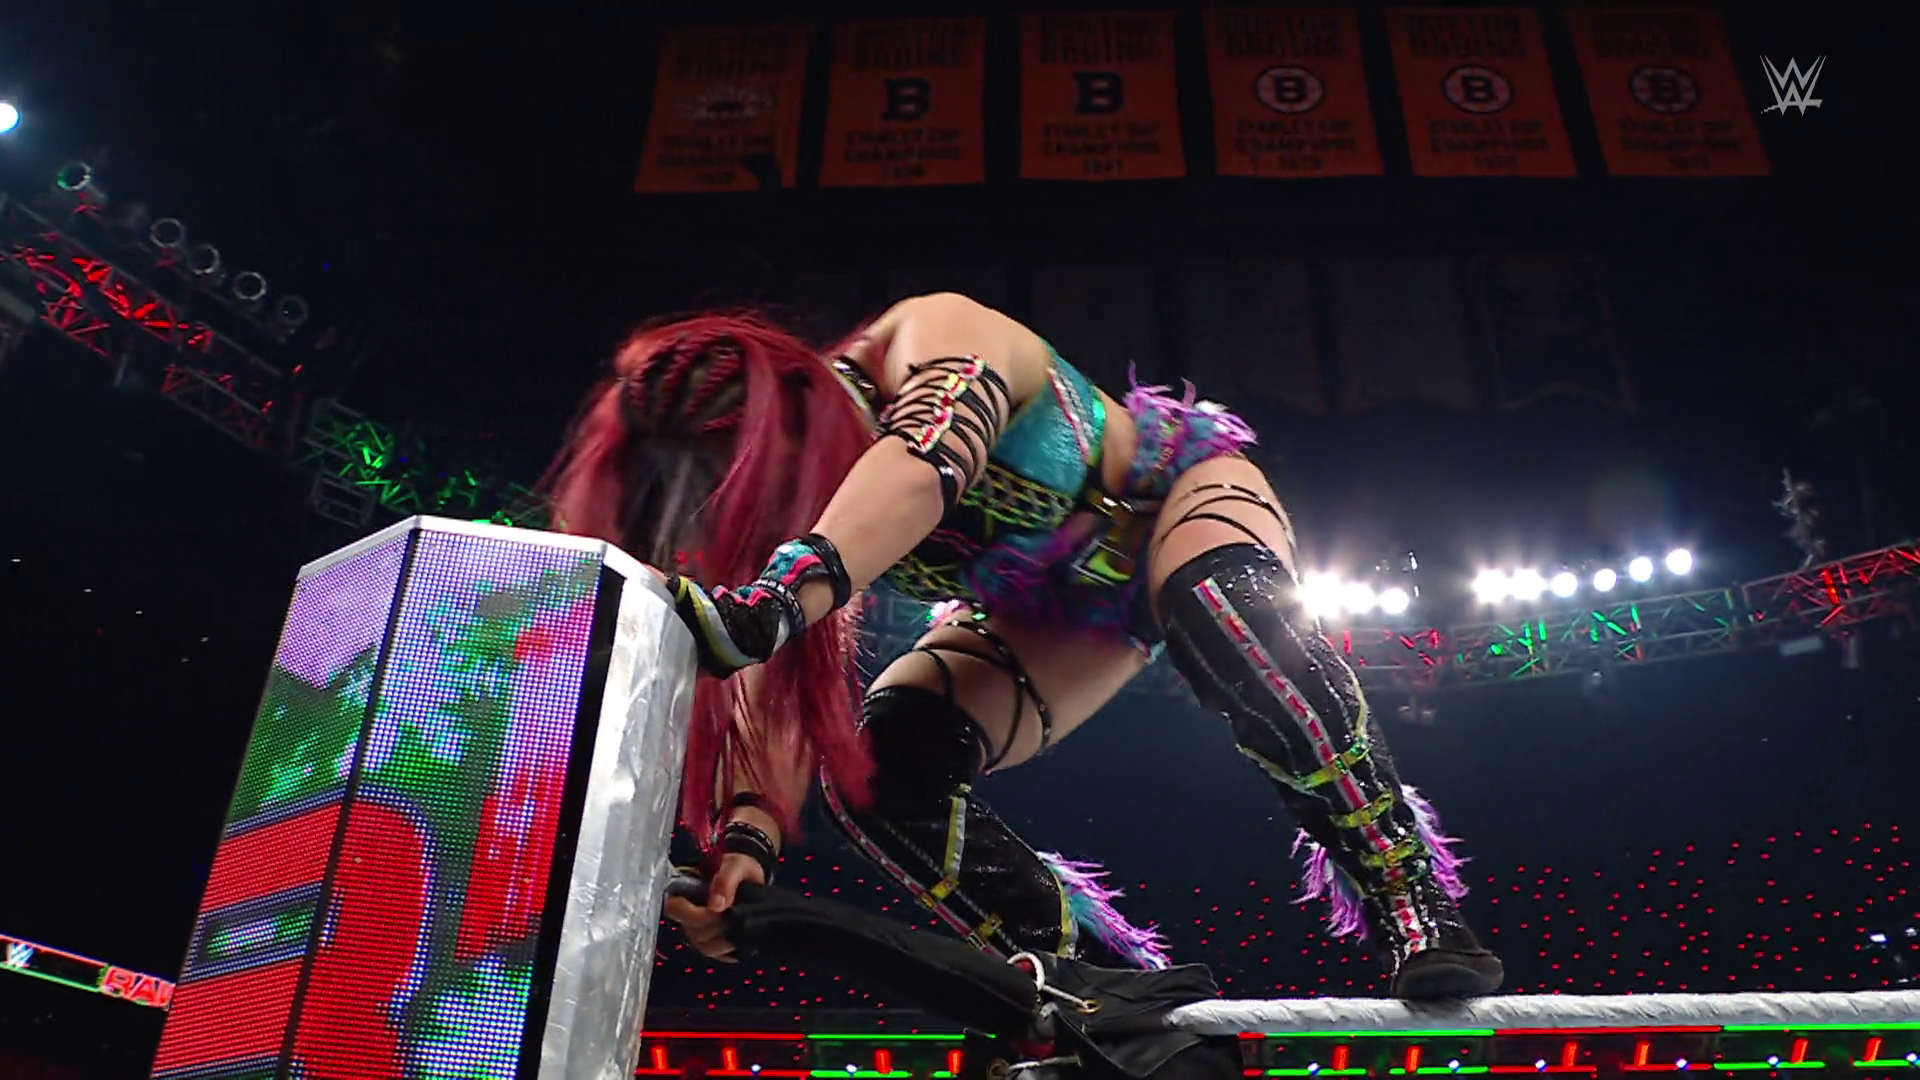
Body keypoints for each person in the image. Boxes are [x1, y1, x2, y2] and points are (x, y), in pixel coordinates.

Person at [545, 292, 1503, 1000]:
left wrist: (774, 597)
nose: (780, 496)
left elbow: (925, 464)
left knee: (1227, 610)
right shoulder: (795, 531)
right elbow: (779, 684)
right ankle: (1097, 980)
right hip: (1043, 608)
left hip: (1170, 499)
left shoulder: (932, 334)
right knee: (881, 768)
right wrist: (745, 844)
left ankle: (1407, 896)